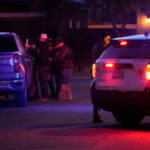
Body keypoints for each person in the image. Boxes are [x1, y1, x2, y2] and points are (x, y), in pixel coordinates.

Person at [91, 32, 111, 123]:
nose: (108, 40)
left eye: (109, 38)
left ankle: (97, 115)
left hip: (101, 72)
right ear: (103, 38)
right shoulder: (101, 47)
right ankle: (96, 115)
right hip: (100, 72)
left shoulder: (100, 46)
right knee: (98, 93)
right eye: (106, 38)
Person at [36, 33, 50, 101]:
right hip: (43, 65)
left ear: (43, 39)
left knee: (43, 81)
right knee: (42, 81)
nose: (40, 39)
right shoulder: (44, 45)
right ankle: (44, 95)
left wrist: (33, 49)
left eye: (41, 38)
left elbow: (39, 54)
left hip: (43, 65)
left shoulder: (44, 46)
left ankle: (45, 96)